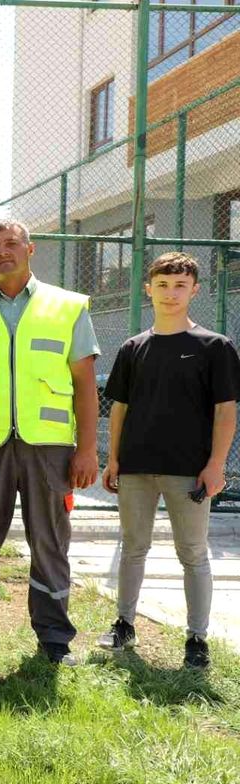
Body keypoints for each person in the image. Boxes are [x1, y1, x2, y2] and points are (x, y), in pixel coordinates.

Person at [0, 219, 100, 668]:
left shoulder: (68, 307)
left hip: (49, 448)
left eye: (11, 243)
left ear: (30, 249)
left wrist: (87, 449)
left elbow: (85, 385)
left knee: (50, 543)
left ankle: (54, 640)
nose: (3, 252)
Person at [98, 252, 239, 669]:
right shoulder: (133, 347)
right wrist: (114, 461)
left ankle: (197, 639)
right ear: (149, 289)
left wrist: (216, 465)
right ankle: (124, 623)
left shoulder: (215, 347)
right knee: (133, 548)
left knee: (193, 552)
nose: (171, 293)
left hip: (189, 472)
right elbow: (119, 407)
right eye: (162, 285)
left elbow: (225, 412)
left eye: (180, 285)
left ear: (195, 290)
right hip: (136, 468)